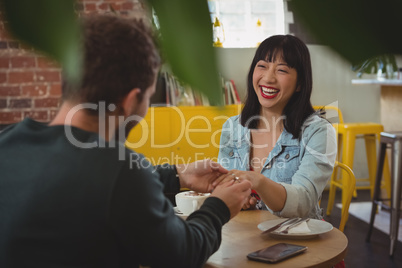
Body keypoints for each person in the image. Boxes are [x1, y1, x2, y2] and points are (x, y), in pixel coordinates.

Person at [0, 15, 252, 268]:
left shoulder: (8, 143)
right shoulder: (119, 170)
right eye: (149, 98)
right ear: (131, 100)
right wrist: (218, 207)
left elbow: (89, 180)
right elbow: (181, 254)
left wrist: (177, 175)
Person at [216, 34, 337, 220]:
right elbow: (224, 187)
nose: (269, 78)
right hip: (243, 236)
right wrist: (238, 199)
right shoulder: (232, 127)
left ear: (300, 84)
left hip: (298, 242)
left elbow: (303, 202)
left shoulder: (318, 132)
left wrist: (260, 183)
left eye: (282, 70)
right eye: (262, 66)